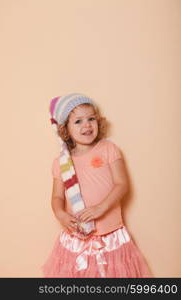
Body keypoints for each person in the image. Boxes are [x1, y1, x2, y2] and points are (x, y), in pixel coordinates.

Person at [42, 93, 152, 278]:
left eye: (91, 118)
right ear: (65, 130)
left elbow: (122, 184)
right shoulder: (61, 163)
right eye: (78, 121)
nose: (87, 125)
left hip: (111, 235)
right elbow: (57, 197)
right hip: (76, 238)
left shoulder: (108, 149)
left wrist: (101, 207)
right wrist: (60, 214)